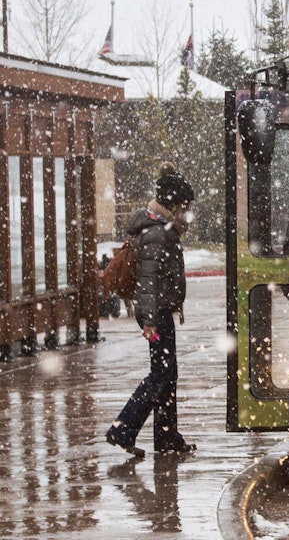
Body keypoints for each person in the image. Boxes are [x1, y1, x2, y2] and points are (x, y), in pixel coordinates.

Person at [106, 163, 197, 457]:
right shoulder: (157, 232)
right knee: (161, 374)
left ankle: (167, 435)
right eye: (184, 205)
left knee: (167, 374)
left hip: (159, 313)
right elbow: (148, 280)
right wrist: (149, 321)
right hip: (155, 317)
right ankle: (123, 428)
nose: (187, 211)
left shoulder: (160, 227)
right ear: (173, 204)